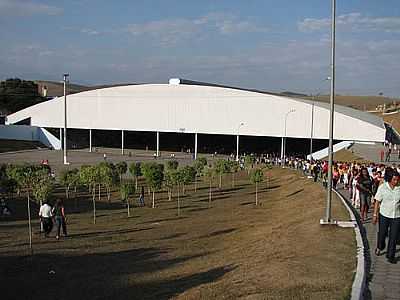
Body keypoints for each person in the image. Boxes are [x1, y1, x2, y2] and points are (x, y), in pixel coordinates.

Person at [372, 168, 400, 264]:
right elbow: (377, 201)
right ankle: (380, 246)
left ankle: (390, 255)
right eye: (394, 180)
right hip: (384, 214)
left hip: (396, 216)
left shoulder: (399, 188)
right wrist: (375, 215)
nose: (396, 181)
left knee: (394, 235)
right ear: (389, 179)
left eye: (397, 179)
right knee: (382, 233)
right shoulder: (383, 187)